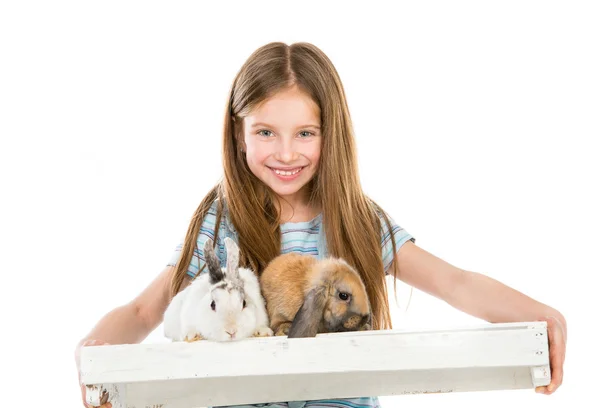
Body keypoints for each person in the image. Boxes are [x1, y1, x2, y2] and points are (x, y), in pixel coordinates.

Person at [74, 41, 567, 408]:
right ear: (239, 134)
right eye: (266, 132)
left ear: (330, 135)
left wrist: (543, 314)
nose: (286, 153)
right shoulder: (221, 218)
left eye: (305, 133)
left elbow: (454, 282)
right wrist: (94, 352)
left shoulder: (356, 217)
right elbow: (146, 311)